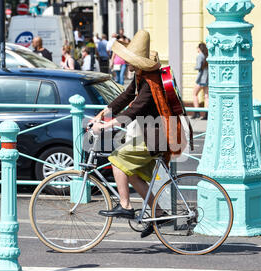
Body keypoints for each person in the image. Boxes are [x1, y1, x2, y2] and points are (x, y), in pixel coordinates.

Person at [90, 30, 187, 238]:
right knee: (132, 173)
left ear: (138, 62)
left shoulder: (151, 83)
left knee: (116, 160)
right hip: (150, 133)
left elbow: (135, 110)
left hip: (156, 136)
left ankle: (125, 206)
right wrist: (103, 114)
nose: (125, 62)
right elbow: (125, 97)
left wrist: (108, 126)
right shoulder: (141, 76)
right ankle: (159, 213)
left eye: (128, 59)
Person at [192, 42, 209, 120]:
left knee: (194, 94)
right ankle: (206, 114)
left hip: (201, 79)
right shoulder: (207, 56)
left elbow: (199, 67)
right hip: (207, 79)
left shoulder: (200, 56)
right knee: (206, 96)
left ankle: (197, 112)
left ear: (199, 48)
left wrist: (194, 67)